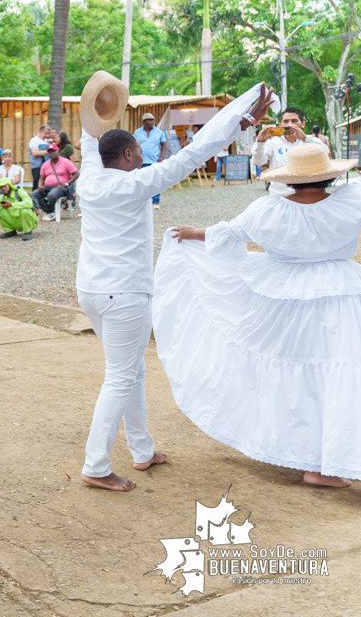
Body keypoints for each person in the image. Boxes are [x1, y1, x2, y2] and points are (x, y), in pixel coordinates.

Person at [74, 72, 270, 493]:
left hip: (90, 290)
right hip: (124, 293)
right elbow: (193, 155)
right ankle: (95, 464)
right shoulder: (136, 182)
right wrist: (240, 122)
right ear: (129, 154)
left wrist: (96, 113)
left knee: (130, 372)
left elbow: (91, 139)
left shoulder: (89, 177)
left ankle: (143, 451)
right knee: (122, 377)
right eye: (137, 154)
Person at [155, 142, 361, 487]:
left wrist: (193, 233)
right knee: (333, 376)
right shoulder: (353, 202)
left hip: (283, 300)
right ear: (330, 176)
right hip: (339, 298)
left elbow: (231, 232)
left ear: (290, 179)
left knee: (296, 376)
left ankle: (304, 457)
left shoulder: (268, 210)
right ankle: (325, 465)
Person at [252, 107, 327, 197]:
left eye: (294, 121)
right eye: (286, 121)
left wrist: (305, 139)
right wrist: (260, 142)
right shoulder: (273, 143)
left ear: (303, 124)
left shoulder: (311, 141)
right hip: (279, 196)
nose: (290, 124)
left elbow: (325, 153)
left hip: (307, 196)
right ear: (280, 124)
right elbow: (258, 161)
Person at [32, 144, 80, 220]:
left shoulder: (65, 162)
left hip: (61, 187)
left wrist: (67, 183)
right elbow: (41, 178)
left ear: (58, 151)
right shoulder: (45, 164)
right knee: (33, 195)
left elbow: (76, 174)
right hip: (47, 187)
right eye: (50, 152)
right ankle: (50, 211)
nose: (52, 153)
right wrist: (40, 185)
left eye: (54, 151)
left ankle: (50, 212)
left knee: (52, 194)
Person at [132, 113, 170, 209]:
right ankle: (142, 201)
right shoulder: (137, 132)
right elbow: (133, 145)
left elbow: (164, 144)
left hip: (154, 160)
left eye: (152, 120)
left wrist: (161, 156)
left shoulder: (159, 132)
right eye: (148, 120)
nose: (151, 122)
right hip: (141, 161)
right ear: (144, 122)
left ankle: (156, 202)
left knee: (155, 181)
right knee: (141, 181)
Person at [28, 125, 50, 191]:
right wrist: (49, 151)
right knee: (37, 183)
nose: (47, 135)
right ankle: (35, 199)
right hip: (37, 166)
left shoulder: (46, 141)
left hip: (47, 166)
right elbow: (35, 153)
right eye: (45, 133)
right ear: (40, 131)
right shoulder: (34, 140)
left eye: (48, 134)